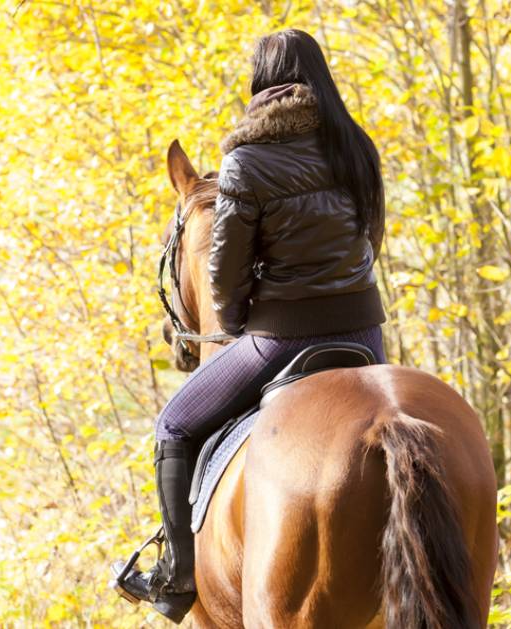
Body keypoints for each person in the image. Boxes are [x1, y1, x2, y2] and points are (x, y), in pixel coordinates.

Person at [110, 29, 389, 623]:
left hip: (280, 336)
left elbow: (224, 273)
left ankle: (176, 576)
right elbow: (373, 237)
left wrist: (236, 325)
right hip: (365, 332)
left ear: (261, 83)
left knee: (174, 425)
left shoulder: (245, 161)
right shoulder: (356, 147)